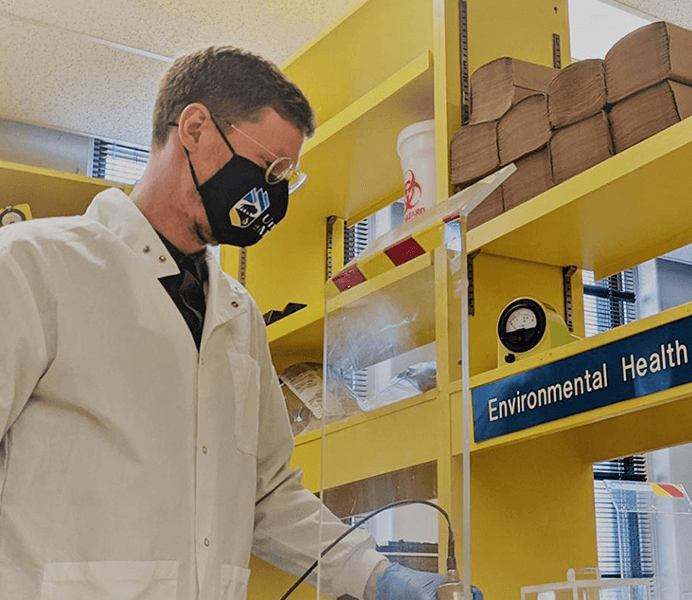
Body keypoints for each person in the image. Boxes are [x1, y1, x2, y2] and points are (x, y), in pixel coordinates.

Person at [0, 46, 466, 600]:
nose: (270, 193)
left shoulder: (238, 313)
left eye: (284, 178)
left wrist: (376, 577)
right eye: (268, 167)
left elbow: (263, 494)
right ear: (194, 127)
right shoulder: (32, 266)